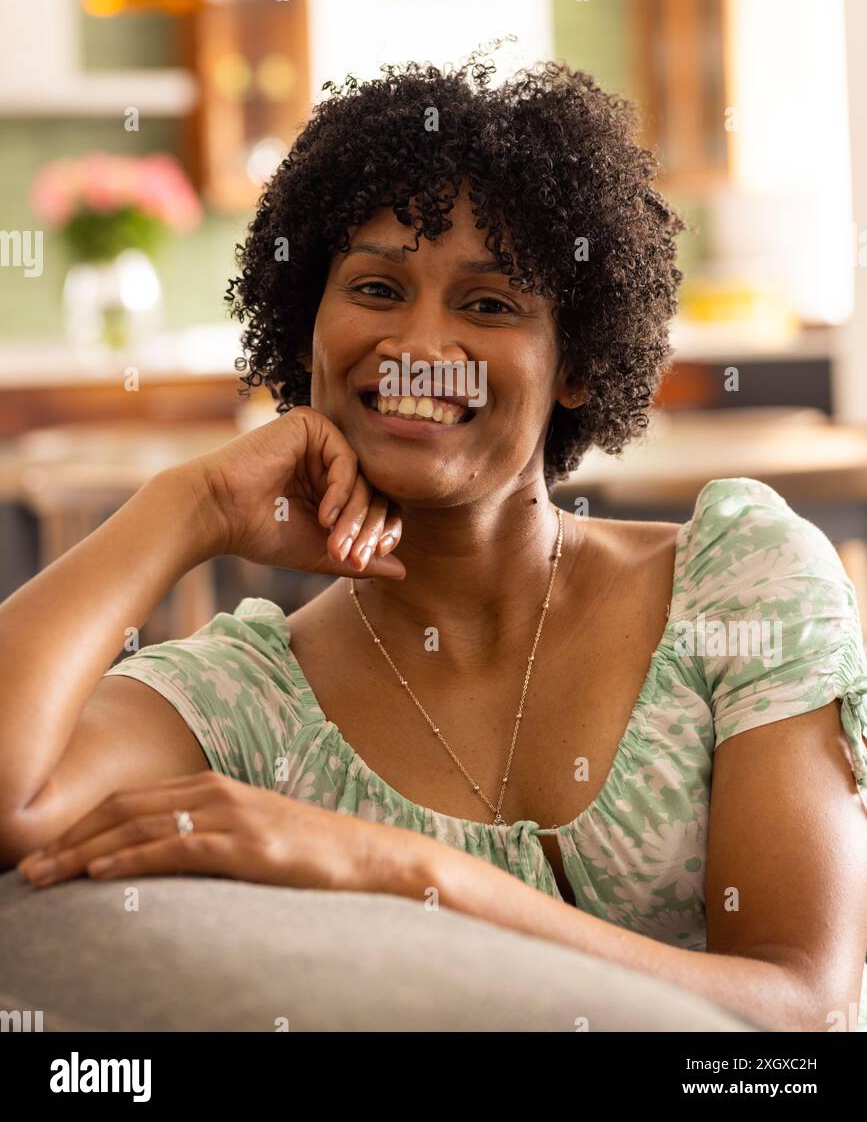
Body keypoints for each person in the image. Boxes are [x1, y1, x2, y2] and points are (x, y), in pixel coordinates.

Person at [2, 56, 866, 1033]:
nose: (418, 344)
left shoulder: (737, 582)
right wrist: (186, 504)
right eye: (376, 286)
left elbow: (804, 1004)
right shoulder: (251, 701)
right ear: (307, 332)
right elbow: (12, 795)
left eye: (489, 303)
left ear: (576, 363)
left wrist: (399, 869)